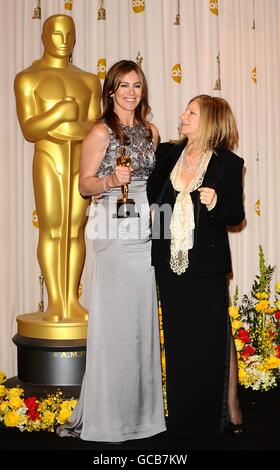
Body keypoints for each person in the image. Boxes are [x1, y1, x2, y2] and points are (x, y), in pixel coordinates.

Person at [57, 60, 166, 442]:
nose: (131, 92)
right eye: (123, 86)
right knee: (116, 326)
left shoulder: (151, 132)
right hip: (111, 225)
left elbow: (155, 183)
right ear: (110, 91)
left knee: (141, 324)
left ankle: (143, 418)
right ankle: (109, 419)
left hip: (144, 229)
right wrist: (108, 179)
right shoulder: (101, 132)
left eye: (137, 85)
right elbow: (84, 185)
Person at [147, 94, 245, 448]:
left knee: (207, 345)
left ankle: (210, 423)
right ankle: (182, 421)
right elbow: (151, 198)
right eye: (185, 110)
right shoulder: (167, 154)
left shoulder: (228, 163)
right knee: (178, 344)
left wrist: (216, 202)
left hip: (207, 268)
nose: (182, 116)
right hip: (171, 264)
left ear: (210, 122)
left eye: (191, 112)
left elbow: (235, 215)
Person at [14, 14, 101, 322]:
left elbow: (95, 130)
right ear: (44, 36)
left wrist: (65, 127)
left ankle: (72, 301)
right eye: (57, 35)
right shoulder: (28, 78)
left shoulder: (89, 80)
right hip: (49, 159)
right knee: (52, 229)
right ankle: (55, 302)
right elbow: (29, 129)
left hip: (81, 162)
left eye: (70, 35)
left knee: (75, 229)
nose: (65, 42)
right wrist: (60, 115)